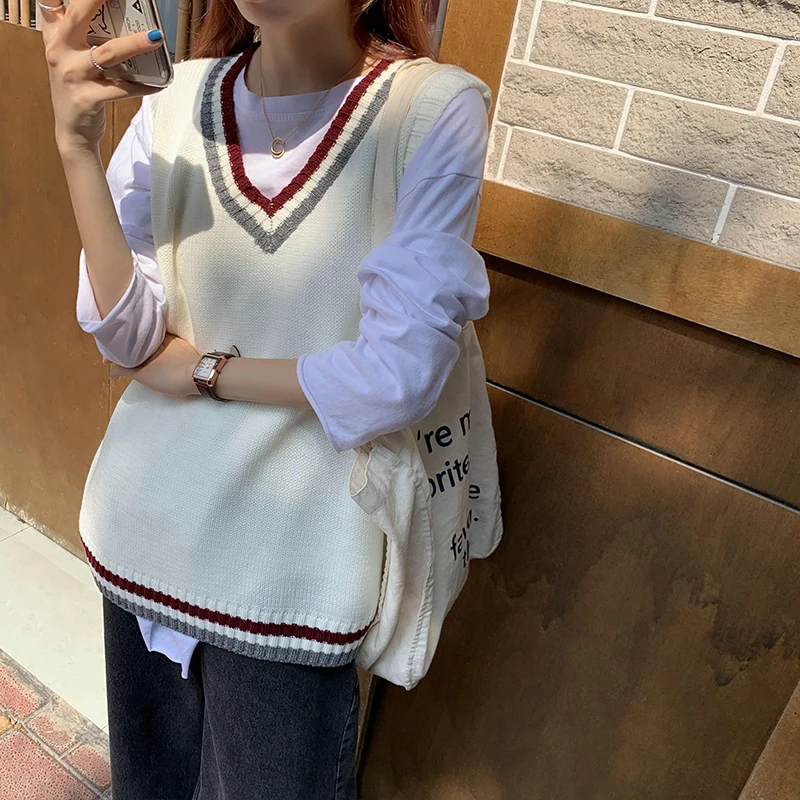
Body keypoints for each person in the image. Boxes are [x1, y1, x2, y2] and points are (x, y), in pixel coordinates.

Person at [39, 0, 492, 795]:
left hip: (293, 580)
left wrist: (204, 371)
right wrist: (77, 148)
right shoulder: (175, 103)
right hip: (142, 536)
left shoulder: (432, 110)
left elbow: (397, 376)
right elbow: (127, 336)